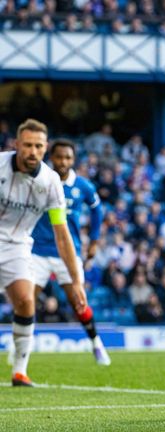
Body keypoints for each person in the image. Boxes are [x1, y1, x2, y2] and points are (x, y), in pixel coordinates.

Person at [0, 119, 86, 386]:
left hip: (17, 246)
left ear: (45, 148)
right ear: (16, 145)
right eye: (27, 145)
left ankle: (20, 371)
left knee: (26, 302)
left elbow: (63, 235)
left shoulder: (51, 183)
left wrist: (76, 280)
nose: (32, 151)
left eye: (38, 146)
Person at [29, 139, 110, 366]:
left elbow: (97, 212)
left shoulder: (83, 186)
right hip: (37, 251)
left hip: (69, 254)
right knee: (26, 302)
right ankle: (21, 353)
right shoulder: (39, 181)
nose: (63, 161)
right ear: (51, 158)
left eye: (67, 157)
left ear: (73, 160)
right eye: (59, 157)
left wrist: (94, 240)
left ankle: (96, 343)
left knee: (79, 302)